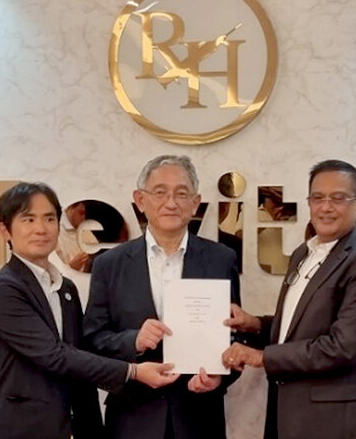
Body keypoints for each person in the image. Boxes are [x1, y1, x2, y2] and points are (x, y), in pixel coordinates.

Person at [0, 182, 179, 439]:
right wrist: (134, 372)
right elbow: (55, 355)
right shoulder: (3, 290)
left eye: (49, 218)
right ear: (5, 230)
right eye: (28, 219)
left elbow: (82, 353)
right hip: (22, 429)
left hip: (76, 428)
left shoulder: (66, 288)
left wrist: (134, 342)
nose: (41, 229)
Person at [223, 159, 356, 439]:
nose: (325, 207)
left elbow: (343, 347)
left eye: (338, 198)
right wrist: (254, 324)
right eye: (317, 198)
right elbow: (299, 329)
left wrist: (262, 357)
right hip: (290, 413)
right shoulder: (305, 253)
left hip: (337, 422)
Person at [83, 155, 241, 439]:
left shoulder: (221, 259)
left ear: (195, 203)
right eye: (160, 192)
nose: (171, 202)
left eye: (181, 193)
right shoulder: (110, 264)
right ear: (140, 200)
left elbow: (235, 337)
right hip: (132, 417)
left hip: (199, 417)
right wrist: (133, 340)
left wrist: (220, 377)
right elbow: (92, 340)